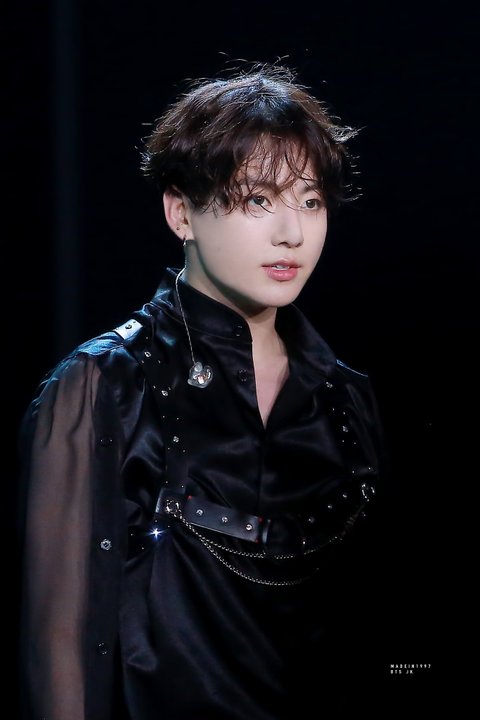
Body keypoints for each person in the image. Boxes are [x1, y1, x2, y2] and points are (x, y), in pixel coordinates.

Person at [17, 61, 388, 720]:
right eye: (258, 200)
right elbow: (58, 639)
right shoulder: (106, 383)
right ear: (181, 211)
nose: (291, 233)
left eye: (310, 201)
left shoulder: (344, 398)